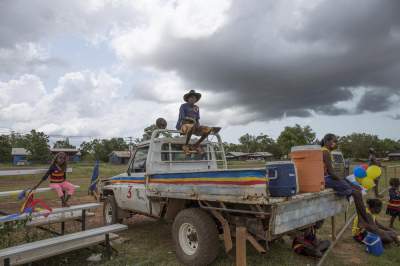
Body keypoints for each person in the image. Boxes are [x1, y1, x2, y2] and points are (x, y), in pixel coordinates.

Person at [321, 134, 374, 226]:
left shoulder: (326, 151)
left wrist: (346, 180)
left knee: (356, 189)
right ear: (327, 141)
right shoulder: (325, 152)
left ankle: (362, 219)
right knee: (356, 193)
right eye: (334, 141)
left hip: (328, 178)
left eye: (336, 141)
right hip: (325, 179)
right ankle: (364, 220)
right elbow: (331, 173)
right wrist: (344, 181)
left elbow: (333, 173)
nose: (335, 143)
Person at [176, 90, 220, 154]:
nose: (193, 99)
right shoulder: (183, 106)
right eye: (191, 97)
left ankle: (196, 144)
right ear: (188, 99)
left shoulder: (196, 108)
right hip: (183, 125)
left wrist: (199, 126)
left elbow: (197, 119)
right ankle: (186, 145)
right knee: (191, 126)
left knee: (208, 129)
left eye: (194, 98)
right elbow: (182, 117)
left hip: (193, 125)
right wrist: (192, 121)